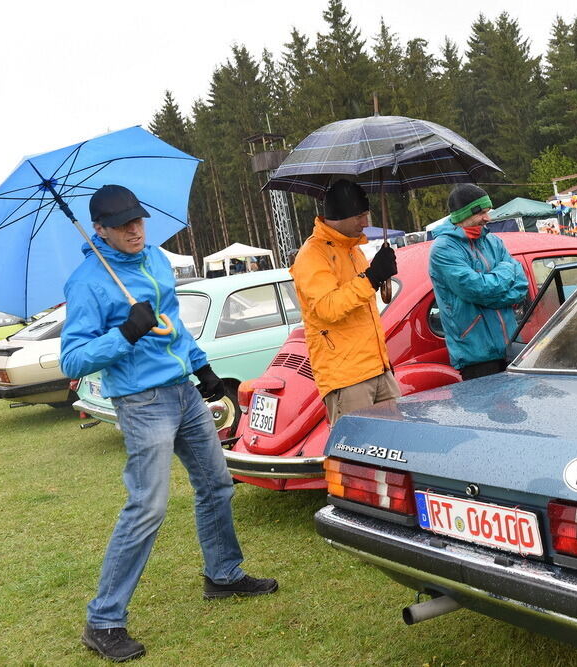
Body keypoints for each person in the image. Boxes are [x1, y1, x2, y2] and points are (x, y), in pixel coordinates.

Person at [60, 185, 277, 663]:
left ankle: (223, 575)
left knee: (217, 485)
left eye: (138, 220)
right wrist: (124, 333)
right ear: (100, 230)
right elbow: (72, 360)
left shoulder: (156, 261)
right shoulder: (86, 283)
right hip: (142, 402)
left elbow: (174, 328)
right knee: (148, 507)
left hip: (183, 390)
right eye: (122, 225)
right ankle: (104, 620)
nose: (135, 230)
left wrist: (202, 368)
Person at [291, 179, 399, 425]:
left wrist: (382, 360)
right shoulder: (311, 256)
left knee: (396, 447)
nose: (365, 223)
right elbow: (329, 307)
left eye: (366, 215)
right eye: (359, 216)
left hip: (377, 368)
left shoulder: (353, 250)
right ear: (340, 216)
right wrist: (372, 277)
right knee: (356, 454)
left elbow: (363, 310)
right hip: (346, 378)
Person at [429, 183, 529, 380]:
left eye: (488, 211)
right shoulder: (443, 249)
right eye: (482, 212)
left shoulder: (493, 241)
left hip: (511, 346)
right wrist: (508, 271)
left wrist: (493, 290)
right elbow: (478, 289)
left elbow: (521, 285)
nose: (488, 218)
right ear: (463, 214)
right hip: (477, 356)